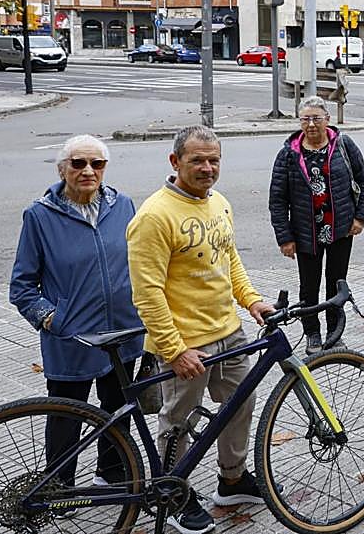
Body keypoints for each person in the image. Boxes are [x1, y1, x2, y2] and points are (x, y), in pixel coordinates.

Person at [127, 126, 275, 534]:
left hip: (229, 332)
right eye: (197, 160)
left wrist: (252, 300)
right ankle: (175, 495)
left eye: (214, 160)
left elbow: (229, 262)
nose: (207, 168)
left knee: (239, 408)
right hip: (185, 344)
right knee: (178, 424)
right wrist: (174, 350)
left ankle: (232, 479)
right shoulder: (154, 216)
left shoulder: (220, 203)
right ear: (175, 162)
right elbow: (147, 293)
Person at [10, 135, 143, 489]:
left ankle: (112, 474)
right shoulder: (40, 215)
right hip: (72, 338)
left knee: (118, 411)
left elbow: (142, 262)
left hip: (123, 332)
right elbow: (22, 286)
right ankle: (58, 486)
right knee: (66, 416)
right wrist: (53, 319)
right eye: (78, 163)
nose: (88, 171)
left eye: (96, 164)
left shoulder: (124, 205)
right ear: (62, 169)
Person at [269, 95, 364, 354]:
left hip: (340, 230)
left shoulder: (343, 146)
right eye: (305, 119)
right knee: (309, 287)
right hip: (306, 233)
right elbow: (277, 200)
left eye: (316, 118)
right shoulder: (289, 154)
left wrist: (361, 217)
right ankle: (312, 334)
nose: (311, 124)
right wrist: (285, 238)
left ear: (327, 119)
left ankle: (334, 333)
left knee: (336, 284)